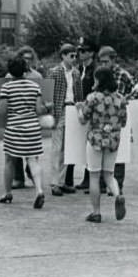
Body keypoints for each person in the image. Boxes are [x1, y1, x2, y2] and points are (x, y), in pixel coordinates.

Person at [0, 56, 47, 208]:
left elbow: (2, 110)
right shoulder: (35, 87)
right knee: (32, 159)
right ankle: (39, 190)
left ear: (10, 72)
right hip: (33, 127)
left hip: (14, 128)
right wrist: (48, 107)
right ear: (26, 70)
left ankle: (7, 193)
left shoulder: (6, 88)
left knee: (9, 161)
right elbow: (39, 110)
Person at [76, 66, 126, 223]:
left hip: (95, 139)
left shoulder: (93, 98)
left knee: (94, 176)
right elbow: (123, 122)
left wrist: (79, 109)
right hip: (113, 140)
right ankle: (118, 196)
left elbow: (83, 119)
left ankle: (96, 212)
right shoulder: (120, 99)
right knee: (109, 174)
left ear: (99, 81)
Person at [96, 46, 138, 194]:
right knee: (102, 148)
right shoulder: (100, 74)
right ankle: (103, 183)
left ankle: (118, 184)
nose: (103, 65)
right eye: (101, 62)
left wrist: (125, 100)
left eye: (106, 61)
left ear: (113, 60)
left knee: (119, 151)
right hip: (103, 117)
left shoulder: (122, 74)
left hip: (117, 116)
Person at [47, 43, 82, 196]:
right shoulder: (54, 72)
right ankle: (55, 182)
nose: (74, 59)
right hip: (59, 110)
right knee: (56, 148)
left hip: (72, 109)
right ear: (63, 56)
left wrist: (79, 110)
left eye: (75, 56)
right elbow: (49, 94)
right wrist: (52, 113)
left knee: (68, 148)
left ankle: (61, 182)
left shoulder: (76, 73)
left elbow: (79, 94)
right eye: (71, 56)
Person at [75, 39, 98, 191]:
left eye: (84, 51)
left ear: (91, 53)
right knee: (82, 144)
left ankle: (91, 178)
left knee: (91, 143)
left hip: (91, 108)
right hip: (81, 106)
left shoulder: (94, 69)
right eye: (79, 51)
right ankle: (86, 177)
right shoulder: (80, 69)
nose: (80, 53)